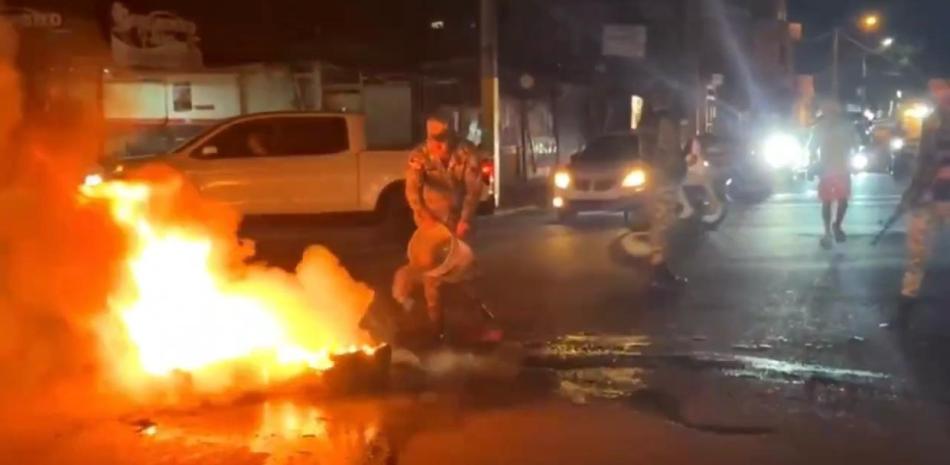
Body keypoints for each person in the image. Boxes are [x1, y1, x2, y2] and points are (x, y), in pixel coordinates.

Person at [392, 115, 484, 338]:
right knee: (432, 275)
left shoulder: (466, 153)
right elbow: (412, 191)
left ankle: (477, 320)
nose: (438, 145)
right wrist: (424, 216)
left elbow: (473, 191)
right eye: (434, 140)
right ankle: (436, 328)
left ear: (452, 137)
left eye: (443, 140)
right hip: (429, 223)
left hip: (456, 220)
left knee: (463, 270)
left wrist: (465, 220)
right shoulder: (419, 156)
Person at [896, 80, 950, 324]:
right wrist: (912, 192)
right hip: (930, 193)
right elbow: (923, 160)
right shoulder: (931, 123)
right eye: (938, 92)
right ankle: (907, 301)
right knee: (916, 250)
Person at [640, 90, 688, 290]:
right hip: (664, 174)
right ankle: (658, 271)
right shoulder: (664, 122)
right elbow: (668, 152)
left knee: (662, 220)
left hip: (657, 172)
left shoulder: (650, 123)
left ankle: (659, 269)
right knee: (663, 221)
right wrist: (678, 167)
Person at [808, 101, 859, 249]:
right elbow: (812, 148)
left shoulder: (844, 127)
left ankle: (834, 228)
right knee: (830, 201)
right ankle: (829, 230)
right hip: (830, 169)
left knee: (838, 201)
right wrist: (813, 164)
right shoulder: (821, 128)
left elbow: (855, 144)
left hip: (838, 169)